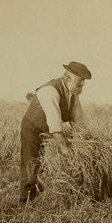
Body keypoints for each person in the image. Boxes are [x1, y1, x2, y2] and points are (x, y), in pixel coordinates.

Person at [19, 61, 91, 203]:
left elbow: (77, 119)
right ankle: (26, 201)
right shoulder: (50, 91)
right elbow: (55, 123)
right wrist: (64, 147)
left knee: (45, 164)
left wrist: (86, 139)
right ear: (68, 77)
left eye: (84, 80)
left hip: (49, 129)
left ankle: (43, 196)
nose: (83, 83)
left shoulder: (73, 93)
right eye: (80, 79)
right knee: (31, 162)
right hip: (32, 128)